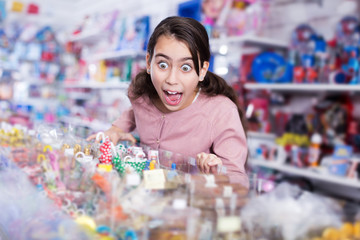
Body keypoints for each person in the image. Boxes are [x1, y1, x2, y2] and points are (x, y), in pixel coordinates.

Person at [87, 16, 249, 188]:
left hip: (191, 205)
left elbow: (238, 181)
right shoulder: (142, 94)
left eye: (185, 67)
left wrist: (215, 175)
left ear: (202, 70)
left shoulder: (221, 111)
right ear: (149, 62)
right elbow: (136, 111)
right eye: (163, 65)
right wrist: (116, 129)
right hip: (144, 198)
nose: (172, 79)